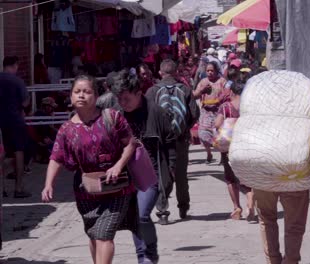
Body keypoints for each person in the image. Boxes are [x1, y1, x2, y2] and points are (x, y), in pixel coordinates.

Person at [41, 75, 139, 264]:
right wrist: (48, 184)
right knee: (94, 232)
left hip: (116, 186)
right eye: (77, 92)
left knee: (105, 234)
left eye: (87, 92)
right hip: (86, 189)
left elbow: (131, 144)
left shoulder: (112, 117)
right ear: (70, 97)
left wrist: (118, 165)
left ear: (96, 96)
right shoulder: (66, 129)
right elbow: (56, 157)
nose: (81, 96)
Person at [112, 69, 176, 263]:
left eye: (127, 99)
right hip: (125, 175)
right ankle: (150, 250)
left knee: (141, 215)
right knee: (135, 218)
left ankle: (145, 256)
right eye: (120, 99)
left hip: (151, 174)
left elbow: (171, 142)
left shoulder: (157, 112)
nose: (123, 103)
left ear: (139, 93)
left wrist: (170, 170)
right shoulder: (117, 114)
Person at [146, 59, 199, 222]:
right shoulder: (185, 90)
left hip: (159, 141)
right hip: (180, 139)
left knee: (161, 174)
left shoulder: (152, 92)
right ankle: (183, 207)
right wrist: (184, 129)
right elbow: (195, 113)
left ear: (160, 73)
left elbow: (146, 115)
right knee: (181, 174)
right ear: (176, 72)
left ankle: (162, 211)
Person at [214, 82, 255, 221]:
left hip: (229, 147)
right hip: (246, 146)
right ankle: (250, 203)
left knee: (231, 179)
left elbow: (217, 124)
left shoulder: (226, 107)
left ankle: (237, 207)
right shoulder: (249, 108)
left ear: (231, 92)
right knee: (248, 177)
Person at [0, 56, 31, 198]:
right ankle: (18, 189)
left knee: (2, 153)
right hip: (15, 121)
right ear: (14, 65)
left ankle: (2, 188)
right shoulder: (17, 81)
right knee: (19, 152)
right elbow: (25, 103)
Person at [192, 62, 228, 163]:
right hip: (206, 113)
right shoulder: (203, 82)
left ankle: (223, 156)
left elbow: (229, 94)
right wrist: (202, 90)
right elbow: (194, 95)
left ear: (216, 71)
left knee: (220, 136)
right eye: (208, 71)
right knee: (203, 134)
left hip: (219, 113)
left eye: (212, 70)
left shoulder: (222, 81)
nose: (210, 73)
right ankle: (209, 153)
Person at [33, 97, 59, 163]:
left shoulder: (48, 115)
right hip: (40, 139)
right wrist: (43, 138)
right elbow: (39, 130)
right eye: (51, 107)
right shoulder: (39, 115)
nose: (53, 109)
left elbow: (51, 128)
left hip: (46, 137)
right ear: (46, 106)